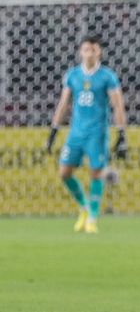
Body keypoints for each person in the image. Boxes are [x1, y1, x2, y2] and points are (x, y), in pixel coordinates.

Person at [46, 35, 127, 234]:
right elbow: (63, 104)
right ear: (80, 52)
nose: (89, 53)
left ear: (99, 52)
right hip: (76, 133)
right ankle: (83, 207)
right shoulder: (72, 75)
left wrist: (122, 134)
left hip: (97, 133)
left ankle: (92, 217)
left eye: (93, 49)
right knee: (64, 173)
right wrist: (53, 131)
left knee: (95, 173)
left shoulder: (107, 76)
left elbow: (117, 105)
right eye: (85, 49)